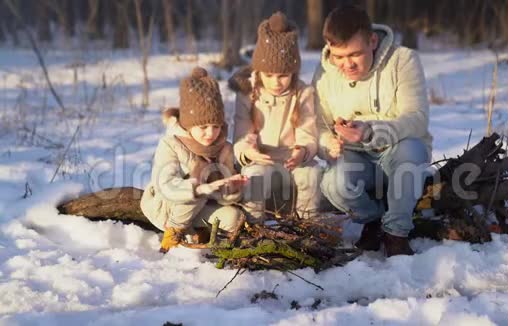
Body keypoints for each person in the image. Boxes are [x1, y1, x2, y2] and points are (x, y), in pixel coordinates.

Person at [312, 5, 432, 257]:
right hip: (356, 158)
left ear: (373, 40)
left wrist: (370, 131)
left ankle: (396, 234)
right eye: (339, 57)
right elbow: (321, 126)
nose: (347, 64)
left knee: (410, 150)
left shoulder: (403, 60)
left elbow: (417, 119)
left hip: (398, 151)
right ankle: (375, 220)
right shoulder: (324, 72)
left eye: (354, 54)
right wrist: (328, 143)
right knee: (333, 184)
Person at [141, 67, 247, 253]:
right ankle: (172, 237)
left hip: (202, 208)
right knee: (198, 184)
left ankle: (200, 232)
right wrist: (199, 188)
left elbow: (223, 199)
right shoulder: (171, 144)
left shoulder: (225, 148)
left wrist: (231, 189)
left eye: (215, 126)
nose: (210, 133)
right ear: (189, 125)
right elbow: (165, 185)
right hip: (168, 208)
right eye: (203, 126)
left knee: (234, 217)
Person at [230, 12, 321, 220]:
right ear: (259, 71)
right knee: (255, 178)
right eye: (269, 75)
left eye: (283, 76)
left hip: (293, 160)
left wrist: (303, 151)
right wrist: (249, 152)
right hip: (262, 159)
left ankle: (308, 226)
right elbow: (241, 134)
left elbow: (308, 132)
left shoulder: (303, 93)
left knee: (311, 175)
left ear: (293, 72)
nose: (276, 82)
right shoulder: (247, 92)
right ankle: (253, 227)